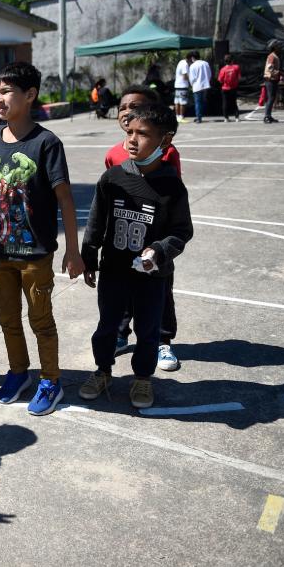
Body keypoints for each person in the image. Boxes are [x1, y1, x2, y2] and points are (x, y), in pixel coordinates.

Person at [0, 61, 84, 415]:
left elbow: (66, 199)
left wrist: (73, 251)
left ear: (30, 95)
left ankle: (51, 380)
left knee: (41, 320)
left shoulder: (47, 143)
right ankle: (17, 371)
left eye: (6, 91)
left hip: (35, 253)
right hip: (0, 252)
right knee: (7, 319)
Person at [80, 104, 193, 409]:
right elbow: (95, 221)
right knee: (107, 326)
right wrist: (88, 256)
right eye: (129, 131)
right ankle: (103, 371)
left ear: (164, 141)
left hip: (152, 277)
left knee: (148, 330)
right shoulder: (113, 178)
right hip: (113, 271)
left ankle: (143, 377)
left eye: (142, 134)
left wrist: (159, 250)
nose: (132, 139)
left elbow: (182, 231)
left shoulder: (171, 184)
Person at [104, 85, 183, 372]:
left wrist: (162, 247)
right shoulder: (114, 154)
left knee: (161, 292)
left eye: (135, 107)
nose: (128, 112)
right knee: (124, 292)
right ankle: (122, 335)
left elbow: (171, 194)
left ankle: (163, 341)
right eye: (123, 107)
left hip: (155, 239)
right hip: (125, 238)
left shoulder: (167, 153)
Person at [263, 40, 284, 124]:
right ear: (274, 47)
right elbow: (270, 68)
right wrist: (279, 72)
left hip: (273, 79)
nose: (280, 47)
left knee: (272, 98)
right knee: (271, 98)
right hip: (270, 79)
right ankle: (266, 117)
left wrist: (280, 71)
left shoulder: (275, 55)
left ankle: (269, 116)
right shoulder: (272, 56)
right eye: (278, 46)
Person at [187, 51, 211, 123]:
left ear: (193, 58)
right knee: (203, 101)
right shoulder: (206, 63)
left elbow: (192, 78)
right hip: (206, 85)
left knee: (198, 102)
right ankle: (201, 115)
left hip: (197, 86)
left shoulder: (193, 66)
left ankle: (199, 117)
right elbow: (209, 74)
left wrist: (191, 85)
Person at [218, 54, 242, 122]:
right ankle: (237, 117)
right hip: (233, 88)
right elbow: (239, 78)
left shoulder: (223, 69)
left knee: (225, 103)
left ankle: (226, 118)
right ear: (232, 60)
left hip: (225, 88)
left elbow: (220, 80)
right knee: (234, 102)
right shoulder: (236, 67)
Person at [173, 55, 192, 122]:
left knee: (177, 102)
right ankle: (181, 117)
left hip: (177, 85)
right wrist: (191, 82)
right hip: (183, 86)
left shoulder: (180, 62)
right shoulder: (185, 64)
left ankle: (177, 117)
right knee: (183, 102)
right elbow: (185, 76)